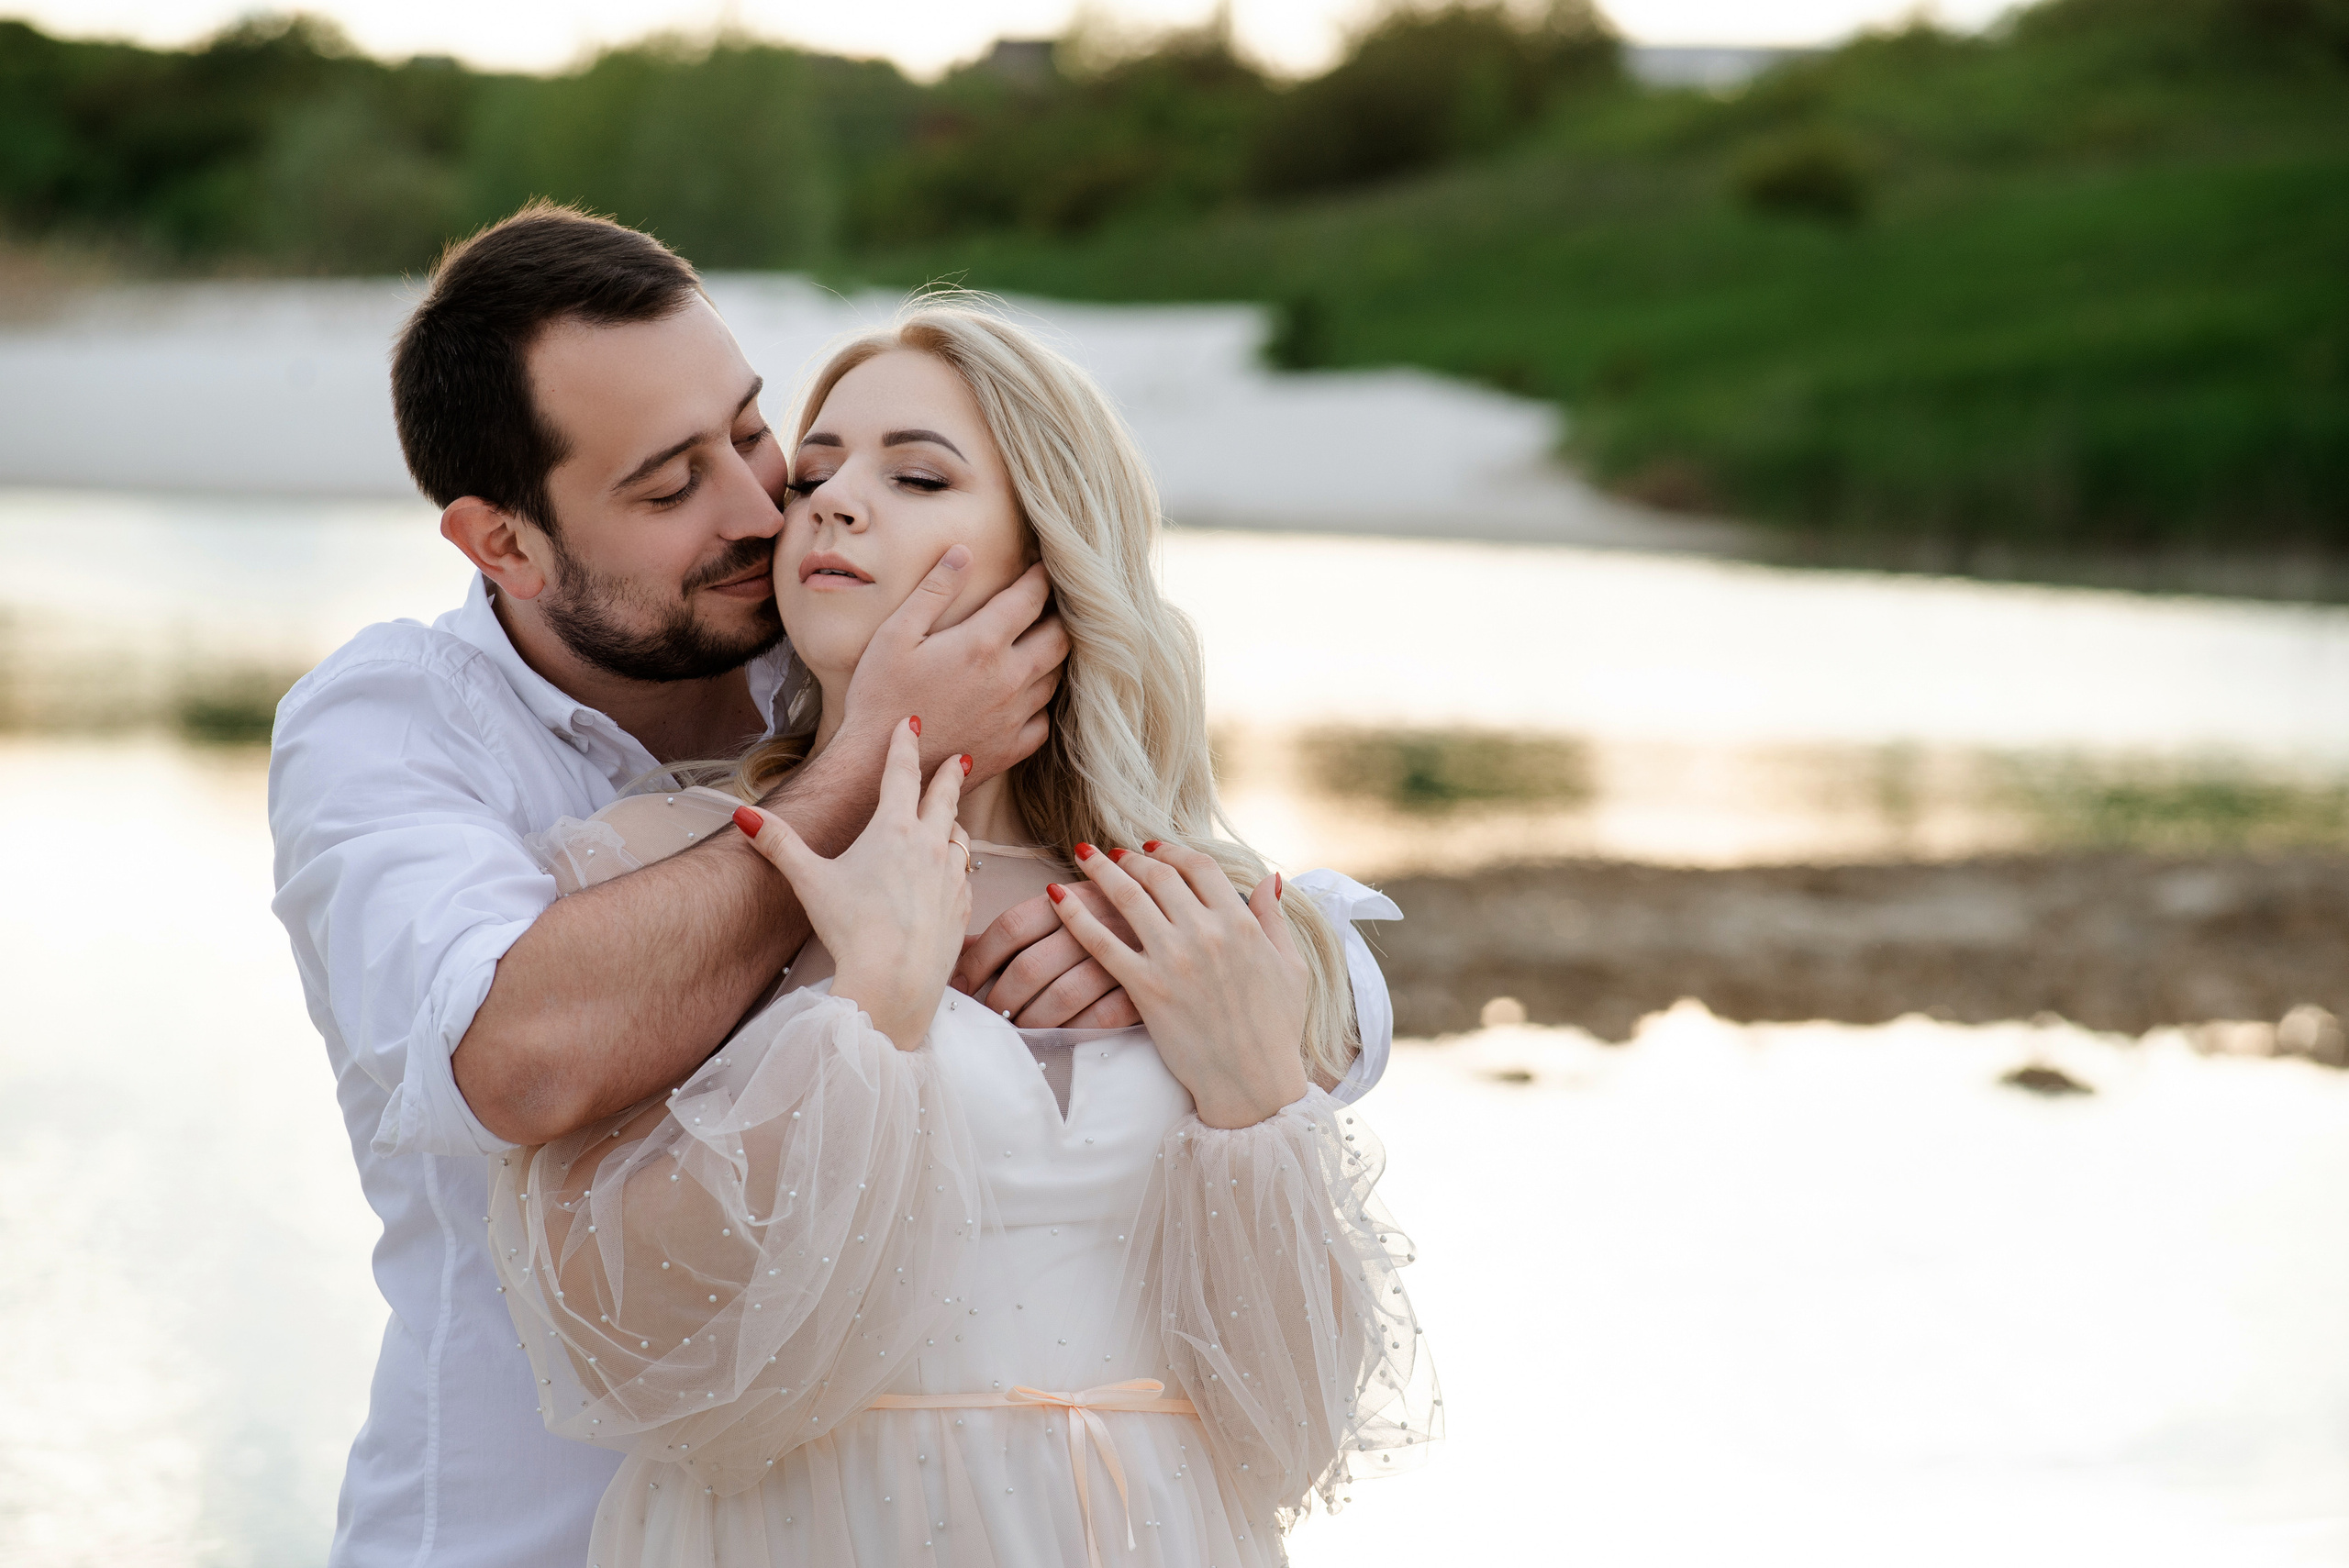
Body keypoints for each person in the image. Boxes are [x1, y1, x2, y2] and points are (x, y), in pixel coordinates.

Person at [267, 204, 1400, 1568]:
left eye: (754, 436)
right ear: (503, 545)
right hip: (531, 1527)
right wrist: (874, 760)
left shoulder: (812, 631)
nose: (769, 508)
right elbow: (510, 1059)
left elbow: (1296, 957)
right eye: (671, 484)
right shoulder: (389, 725)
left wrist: (1184, 951)